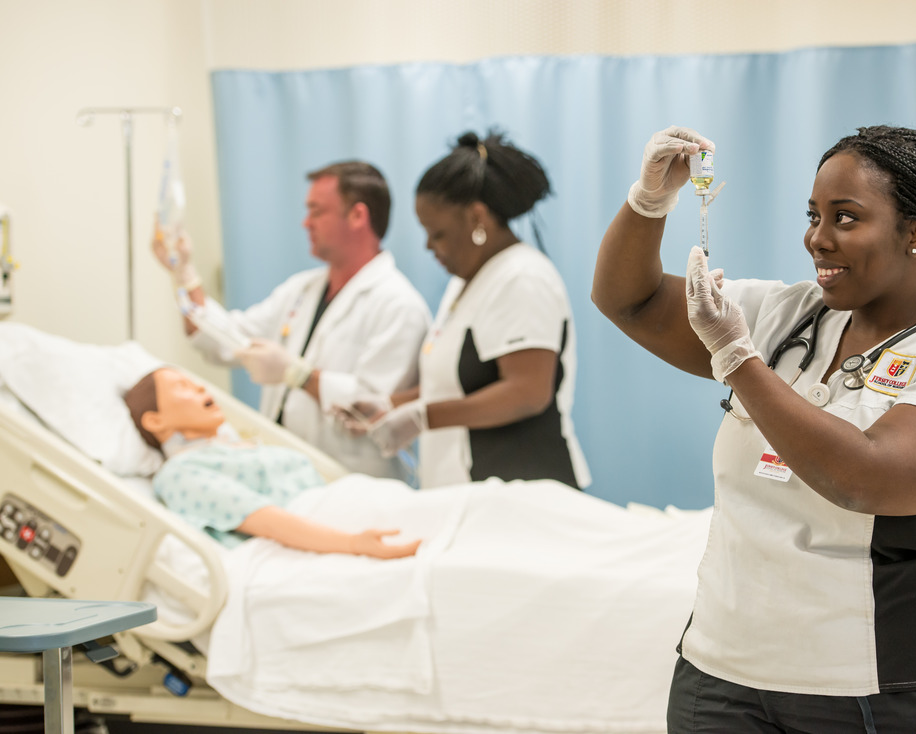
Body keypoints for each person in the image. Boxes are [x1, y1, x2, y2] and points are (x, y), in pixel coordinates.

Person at [591, 125, 916, 733]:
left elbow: (866, 478)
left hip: (879, 691)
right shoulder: (782, 314)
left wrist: (738, 360)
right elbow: (627, 300)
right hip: (721, 678)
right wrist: (649, 200)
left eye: (845, 218)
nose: (816, 238)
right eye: (813, 215)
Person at [153, 161, 431, 480]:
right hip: (282, 470)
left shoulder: (399, 306)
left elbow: (375, 410)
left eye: (316, 211)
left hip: (350, 480)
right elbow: (223, 339)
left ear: (357, 216)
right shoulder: (301, 290)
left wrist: (297, 375)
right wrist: (182, 272)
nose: (305, 223)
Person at [345, 132, 590, 490]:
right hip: (467, 491)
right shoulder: (468, 281)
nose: (429, 245)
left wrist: (423, 417)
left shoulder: (522, 276)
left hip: (521, 493)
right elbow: (455, 384)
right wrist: (389, 405)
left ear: (477, 217)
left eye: (437, 233)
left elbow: (528, 392)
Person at [124, 367, 420, 559]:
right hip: (333, 539)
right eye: (183, 387)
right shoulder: (180, 473)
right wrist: (354, 544)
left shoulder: (239, 449)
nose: (201, 388)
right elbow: (268, 520)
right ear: (155, 420)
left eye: (196, 381)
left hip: (355, 509)